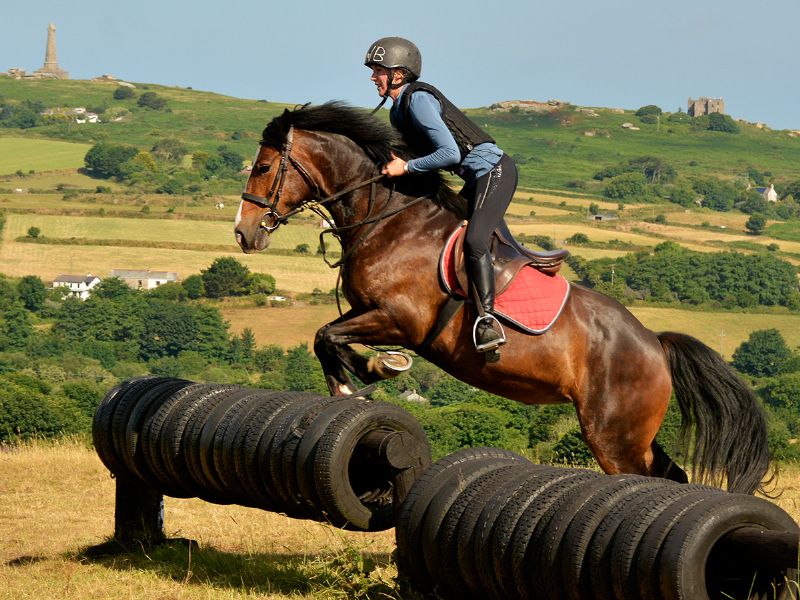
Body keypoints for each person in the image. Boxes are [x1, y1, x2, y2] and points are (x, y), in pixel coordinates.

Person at [364, 36, 516, 355]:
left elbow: (448, 154)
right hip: (476, 178)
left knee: (474, 241)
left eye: (378, 70)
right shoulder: (397, 113)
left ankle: (488, 322)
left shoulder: (418, 100)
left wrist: (405, 168)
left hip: (494, 171)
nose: (372, 77)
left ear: (399, 74)